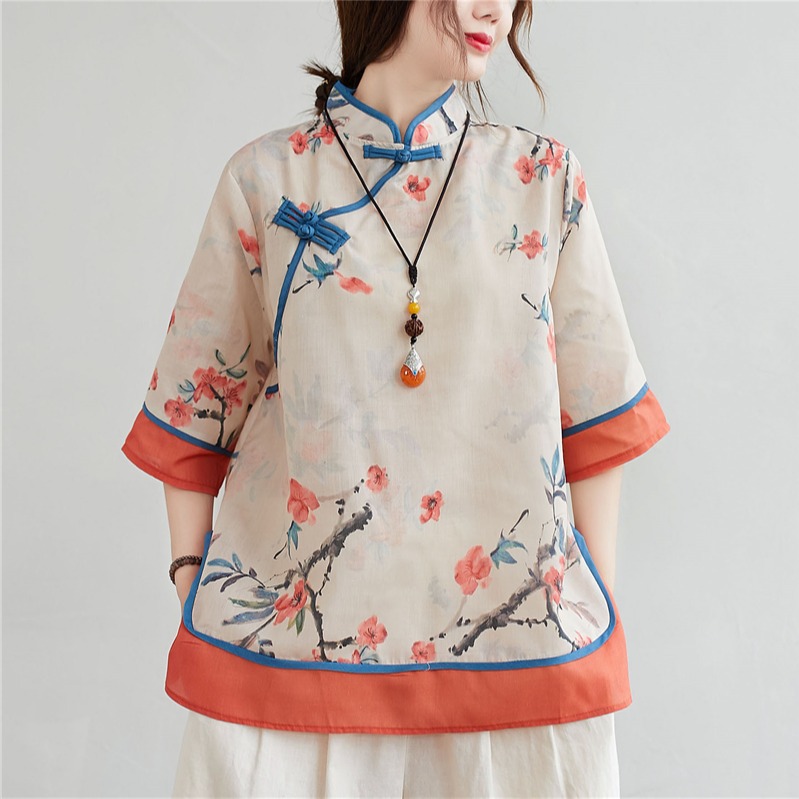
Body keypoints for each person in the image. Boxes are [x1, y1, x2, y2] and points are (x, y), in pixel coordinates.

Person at [121, 0, 670, 795]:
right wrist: (186, 573)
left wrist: (594, 600)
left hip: (516, 663)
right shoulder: (268, 181)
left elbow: (595, 411)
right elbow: (196, 398)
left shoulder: (542, 180)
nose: (494, 10)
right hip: (290, 667)